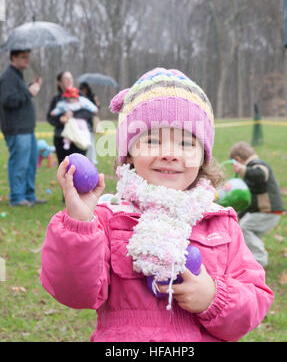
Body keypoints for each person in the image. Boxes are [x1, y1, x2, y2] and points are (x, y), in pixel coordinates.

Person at [41, 68, 274, 342]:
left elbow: (254, 299)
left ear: (203, 157)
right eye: (152, 140)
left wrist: (213, 298)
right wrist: (79, 223)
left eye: (187, 143)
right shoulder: (108, 219)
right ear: (128, 155)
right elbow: (75, 292)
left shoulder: (220, 223)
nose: (170, 154)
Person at [0, 49, 46, 207]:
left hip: (27, 129)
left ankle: (29, 196)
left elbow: (20, 94)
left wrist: (31, 87)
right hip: (16, 129)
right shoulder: (7, 77)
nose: (27, 60)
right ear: (13, 58)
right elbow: (9, 101)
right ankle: (17, 198)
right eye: (23, 57)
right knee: (19, 165)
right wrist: (29, 92)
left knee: (31, 164)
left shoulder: (17, 76)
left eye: (28, 57)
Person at [229, 141, 283, 267]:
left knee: (245, 228)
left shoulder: (258, 165)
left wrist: (243, 170)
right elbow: (251, 200)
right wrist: (239, 214)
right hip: (262, 210)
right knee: (247, 235)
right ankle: (250, 260)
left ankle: (260, 259)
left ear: (238, 159)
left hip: (268, 210)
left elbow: (262, 174)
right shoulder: (251, 168)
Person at [47, 71, 94, 164]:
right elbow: (50, 117)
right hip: (62, 138)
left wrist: (73, 114)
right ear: (59, 82)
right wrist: (60, 119)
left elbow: (90, 112)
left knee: (79, 169)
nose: (69, 80)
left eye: (71, 78)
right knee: (64, 169)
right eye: (66, 78)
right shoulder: (57, 99)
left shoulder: (80, 95)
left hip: (80, 138)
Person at [50, 86, 98, 151]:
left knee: (84, 131)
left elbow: (90, 106)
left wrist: (94, 109)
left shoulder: (82, 101)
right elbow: (58, 109)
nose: (70, 100)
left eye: (72, 98)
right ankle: (67, 142)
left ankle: (87, 142)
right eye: (68, 98)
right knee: (68, 131)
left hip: (81, 121)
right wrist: (54, 112)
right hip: (70, 121)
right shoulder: (64, 104)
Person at [79, 81, 100, 165]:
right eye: (82, 89)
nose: (84, 91)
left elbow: (97, 109)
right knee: (83, 143)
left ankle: (92, 159)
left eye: (85, 89)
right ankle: (84, 159)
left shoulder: (92, 97)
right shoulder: (79, 97)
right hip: (81, 122)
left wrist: (96, 101)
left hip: (90, 122)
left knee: (91, 142)